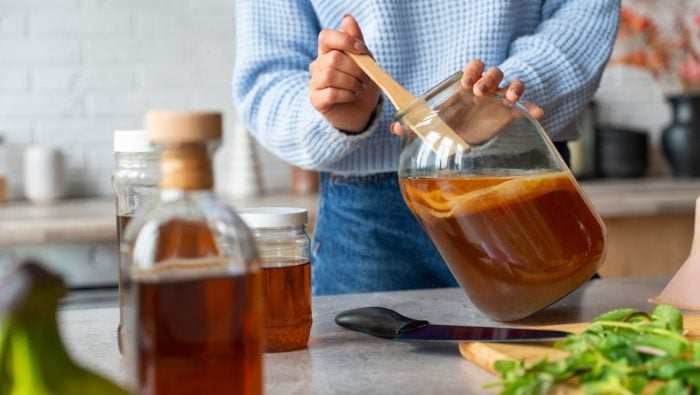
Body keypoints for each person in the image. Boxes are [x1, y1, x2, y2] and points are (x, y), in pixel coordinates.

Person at [233, 1, 620, 295]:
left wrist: (508, 95)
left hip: (523, 179)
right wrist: (334, 109)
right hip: (368, 225)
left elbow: (583, 12)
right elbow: (266, 78)